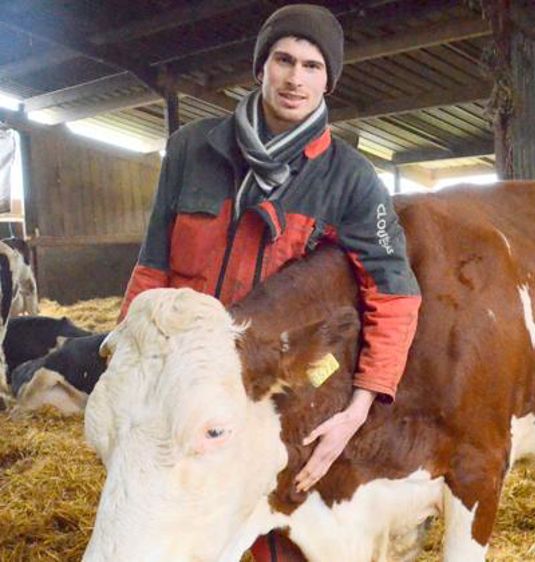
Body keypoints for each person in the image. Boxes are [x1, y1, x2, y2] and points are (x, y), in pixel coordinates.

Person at [119, 5, 421, 560]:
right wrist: (128, 365)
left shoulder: (352, 180)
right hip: (185, 389)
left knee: (272, 538)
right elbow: (153, 266)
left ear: (328, 79)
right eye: (283, 59)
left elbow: (395, 292)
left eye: (312, 65)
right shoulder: (192, 149)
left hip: (274, 392)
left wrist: (359, 408)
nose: (295, 78)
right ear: (261, 67)